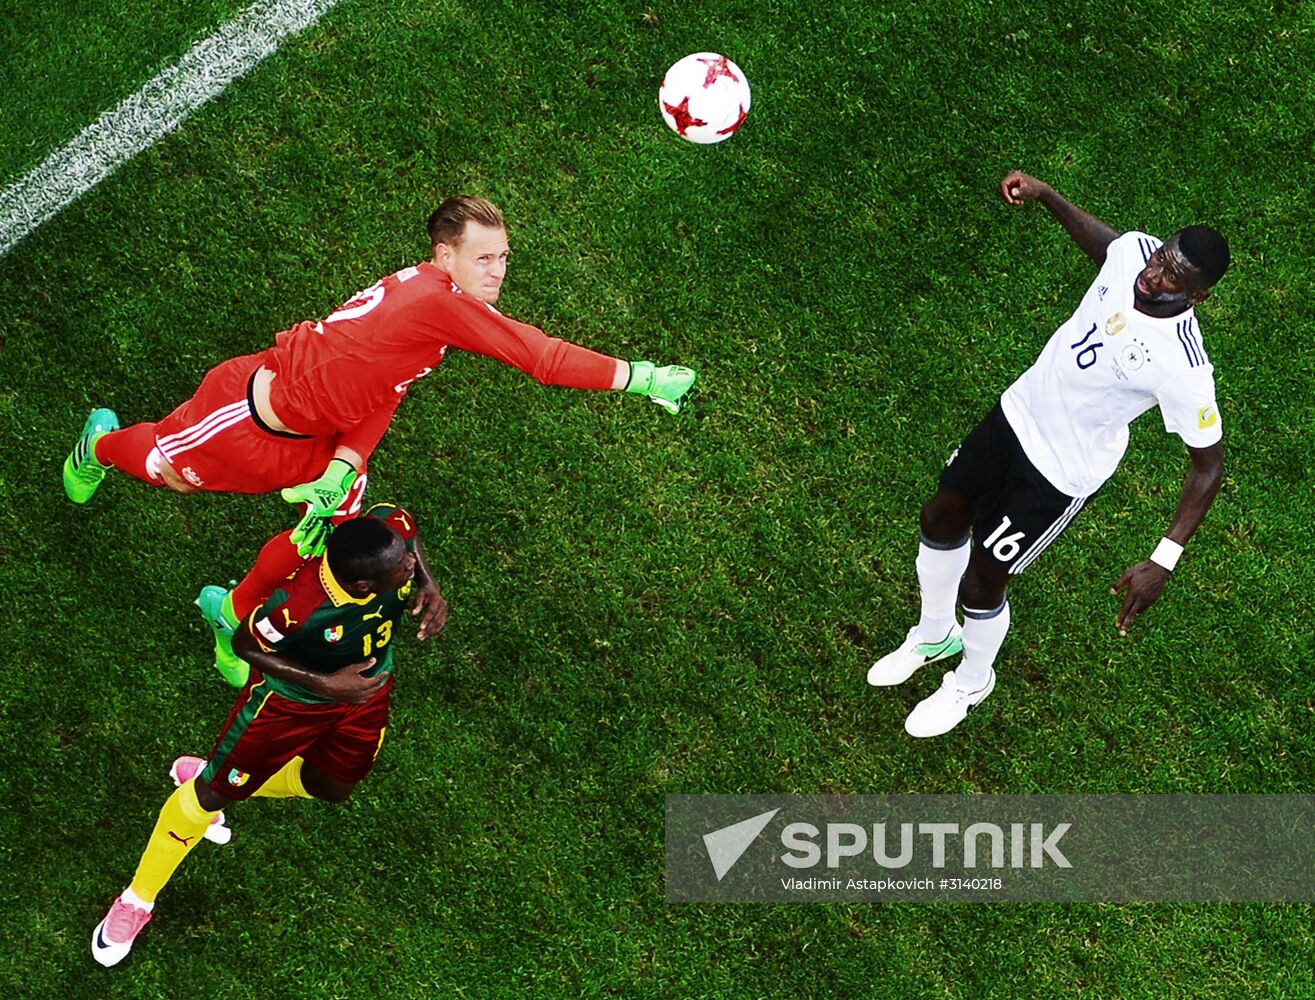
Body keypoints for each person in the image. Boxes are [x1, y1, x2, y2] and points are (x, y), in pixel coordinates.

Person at [63, 195, 698, 558]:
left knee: (329, 543)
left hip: (325, 437)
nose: (498, 270)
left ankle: (237, 621)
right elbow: (544, 359)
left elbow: (386, 387)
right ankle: (98, 446)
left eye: (503, 256)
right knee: (172, 476)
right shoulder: (441, 305)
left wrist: (347, 459)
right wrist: (640, 377)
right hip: (249, 417)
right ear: (444, 255)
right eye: (484, 257)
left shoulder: (432, 301)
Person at [867, 170, 1229, 738]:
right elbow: (1108, 248)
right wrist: (1046, 195)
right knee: (939, 517)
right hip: (1015, 414)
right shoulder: (1133, 255)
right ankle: (934, 632)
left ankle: (971, 680)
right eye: (1159, 258)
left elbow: (1208, 467)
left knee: (984, 579)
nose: (1151, 275)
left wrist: (1163, 560)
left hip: (1058, 470)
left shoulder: (1184, 367)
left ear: (1198, 296)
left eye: (1170, 277)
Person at [92, 503, 447, 967]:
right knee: (210, 798)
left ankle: (218, 774)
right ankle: (136, 900)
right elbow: (244, 643)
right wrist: (323, 685)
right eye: (403, 568)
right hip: (286, 704)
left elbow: (402, 524)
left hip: (365, 696)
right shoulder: (297, 608)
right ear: (363, 586)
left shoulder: (386, 542)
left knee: (332, 787)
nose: (409, 565)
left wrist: (429, 584)